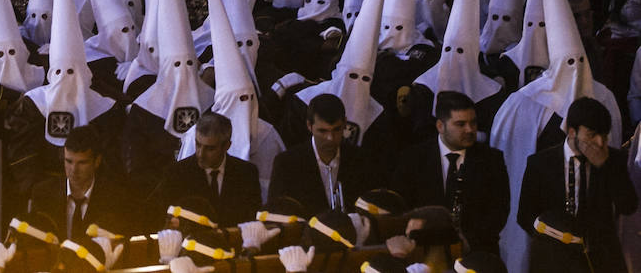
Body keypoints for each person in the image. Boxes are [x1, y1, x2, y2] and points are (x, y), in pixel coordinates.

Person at [517, 96, 637, 272]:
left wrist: (605, 167)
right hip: (553, 260)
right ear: (572, 132)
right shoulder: (541, 163)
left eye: (604, 135)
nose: (599, 143)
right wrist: (552, 238)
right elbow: (525, 215)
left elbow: (628, 206)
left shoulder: (614, 160)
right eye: (591, 135)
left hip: (599, 261)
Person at [393, 91, 510, 254]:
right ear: (440, 126)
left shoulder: (491, 160)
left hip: (477, 253)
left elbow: (499, 211)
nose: (470, 130)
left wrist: (465, 243)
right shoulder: (412, 159)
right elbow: (402, 208)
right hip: (423, 252)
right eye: (460, 124)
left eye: (473, 123)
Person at [27, 126, 132, 242]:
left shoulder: (114, 197)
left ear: (97, 161)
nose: (74, 170)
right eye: (69, 161)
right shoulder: (43, 193)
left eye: (82, 163)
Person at [268, 94, 367, 215]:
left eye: (336, 129)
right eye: (322, 131)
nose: (330, 138)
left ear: (345, 123)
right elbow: (277, 213)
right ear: (309, 126)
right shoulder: (287, 164)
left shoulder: (360, 160)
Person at [158, 111, 261, 227]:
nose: (200, 154)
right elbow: (164, 221)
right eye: (198, 144)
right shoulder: (176, 174)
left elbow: (252, 221)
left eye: (210, 149)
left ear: (227, 146)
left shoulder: (246, 174)